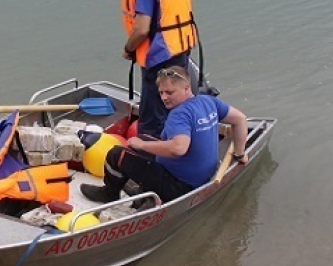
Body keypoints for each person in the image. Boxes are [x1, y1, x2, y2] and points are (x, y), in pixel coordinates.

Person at [80, 67, 247, 205]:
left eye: (169, 92)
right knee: (142, 140)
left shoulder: (179, 114)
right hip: (203, 175)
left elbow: (179, 148)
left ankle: (109, 194)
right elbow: (240, 119)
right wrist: (239, 154)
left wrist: (142, 146)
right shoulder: (209, 101)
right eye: (161, 93)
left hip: (179, 186)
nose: (164, 97)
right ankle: (144, 191)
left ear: (186, 87)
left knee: (117, 154)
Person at [120, 0, 199, 138]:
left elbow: (142, 28)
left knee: (152, 117)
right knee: (176, 102)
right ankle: (181, 143)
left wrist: (129, 49)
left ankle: (151, 159)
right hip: (180, 48)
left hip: (158, 56)